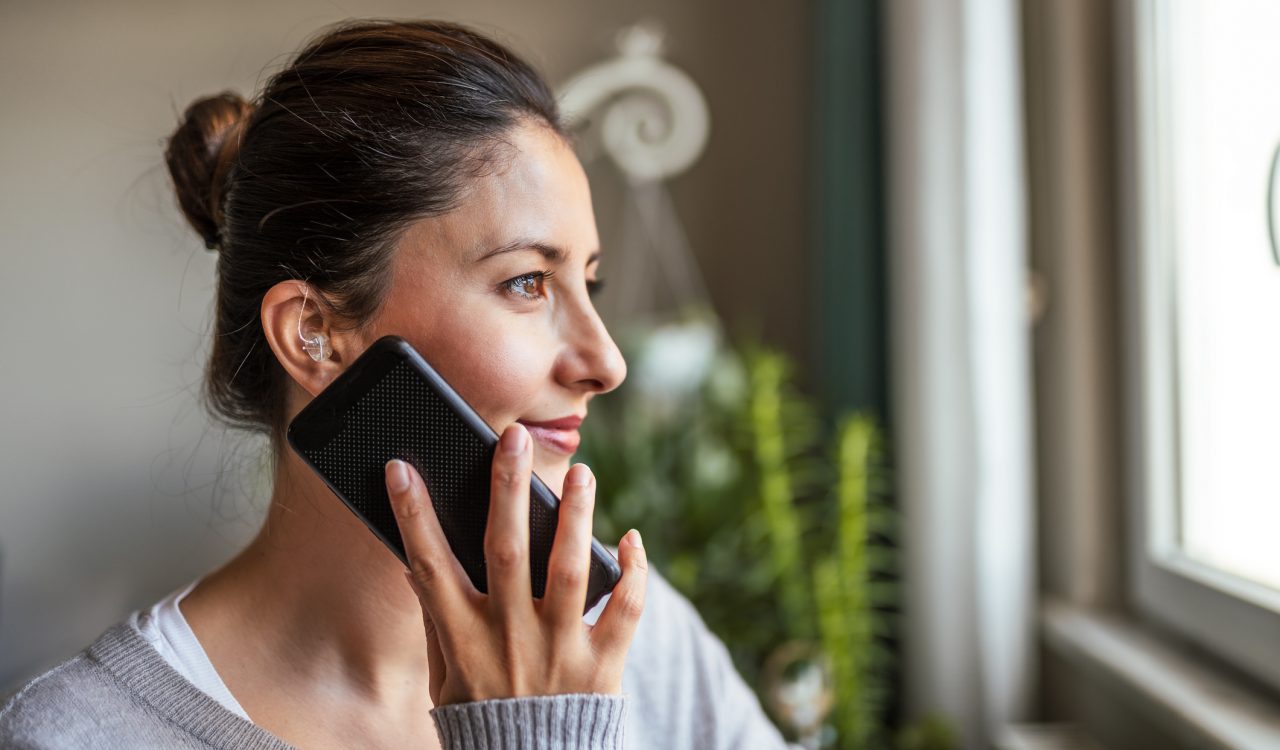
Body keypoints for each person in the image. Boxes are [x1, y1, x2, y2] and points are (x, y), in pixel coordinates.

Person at [0, 19, 795, 749]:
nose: (607, 361)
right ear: (313, 334)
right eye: (527, 283)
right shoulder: (81, 734)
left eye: (591, 283)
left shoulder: (636, 646)